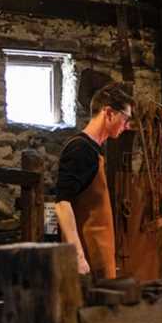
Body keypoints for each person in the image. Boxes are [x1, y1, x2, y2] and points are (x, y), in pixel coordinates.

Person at [55, 81, 133, 280]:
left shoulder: (95, 150)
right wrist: (78, 256)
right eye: (125, 118)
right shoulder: (80, 149)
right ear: (108, 113)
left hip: (97, 258)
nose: (127, 126)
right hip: (87, 264)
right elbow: (62, 204)